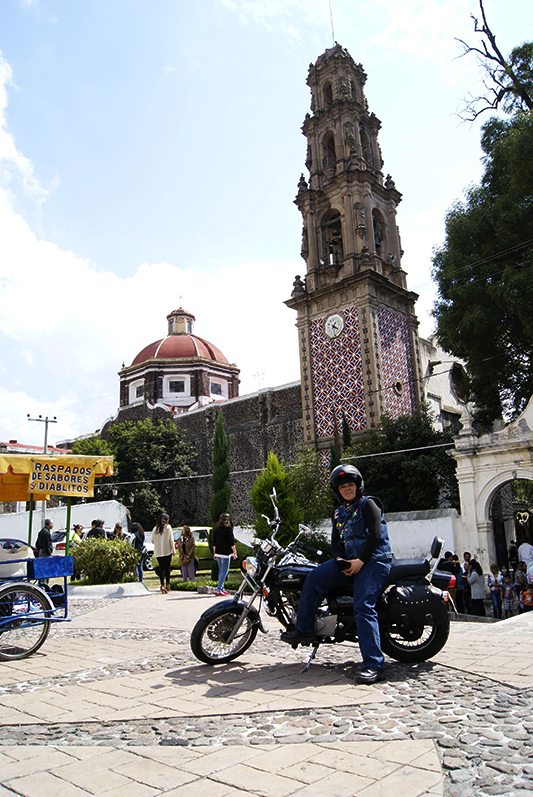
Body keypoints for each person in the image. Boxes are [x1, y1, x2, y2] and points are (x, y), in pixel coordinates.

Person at [281, 464, 393, 685]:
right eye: (342, 487)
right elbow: (335, 544)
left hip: (374, 562)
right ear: (338, 491)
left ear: (358, 486)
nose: (347, 489)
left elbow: (375, 536)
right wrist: (340, 560)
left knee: (362, 606)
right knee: (313, 578)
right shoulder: (339, 513)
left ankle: (374, 665)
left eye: (350, 485)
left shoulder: (369, 504)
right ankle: (304, 629)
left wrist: (360, 561)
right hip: (350, 562)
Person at [212, 513, 237, 596]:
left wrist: (214, 553)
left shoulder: (217, 529)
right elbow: (231, 543)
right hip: (225, 553)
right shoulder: (228, 530)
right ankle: (219, 589)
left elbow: (214, 543)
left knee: (221, 571)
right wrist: (235, 553)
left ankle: (222, 588)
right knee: (224, 572)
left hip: (218, 553)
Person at [152, 513, 174, 593]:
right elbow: (171, 540)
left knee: (161, 568)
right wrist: (173, 550)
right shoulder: (168, 527)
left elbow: (152, 540)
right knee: (167, 568)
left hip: (158, 552)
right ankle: (168, 584)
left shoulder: (155, 529)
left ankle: (162, 585)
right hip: (167, 550)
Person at [35, 518, 53, 587]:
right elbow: (47, 544)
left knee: (41, 569)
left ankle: (41, 583)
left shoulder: (41, 531)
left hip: (41, 552)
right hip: (45, 553)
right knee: (45, 569)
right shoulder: (46, 533)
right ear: (49, 524)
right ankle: (44, 584)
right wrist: (49, 551)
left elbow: (37, 544)